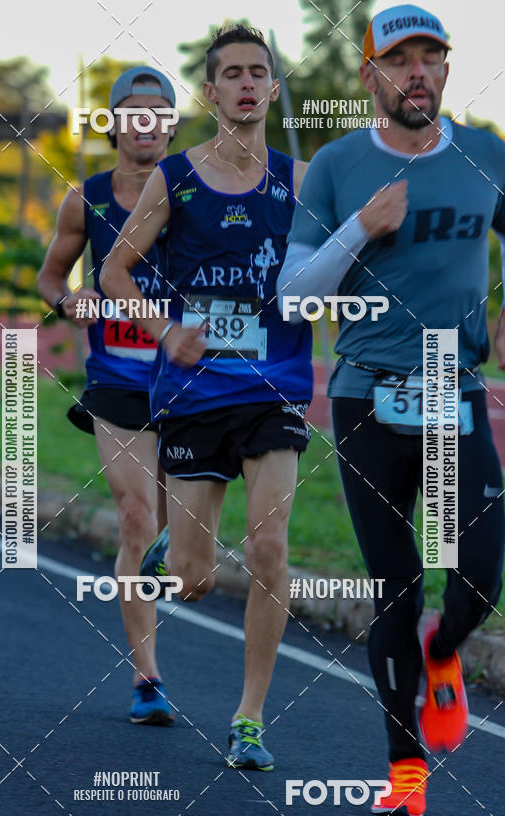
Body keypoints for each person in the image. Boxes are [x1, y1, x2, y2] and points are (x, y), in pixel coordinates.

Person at [278, 4, 505, 816]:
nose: (416, 71)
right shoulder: (336, 165)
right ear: (370, 76)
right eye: (399, 59)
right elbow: (292, 296)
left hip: (452, 391)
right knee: (397, 585)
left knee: (477, 577)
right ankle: (405, 767)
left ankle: (445, 649)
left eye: (430, 57)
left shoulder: (486, 155)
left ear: (447, 70)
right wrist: (360, 226)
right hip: (367, 398)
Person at [101, 24, 312, 770]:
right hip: (194, 392)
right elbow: (114, 273)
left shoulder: (301, 180)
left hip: (275, 389)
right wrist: (165, 331)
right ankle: (172, 549)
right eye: (233, 73)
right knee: (193, 580)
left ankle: (249, 717)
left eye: (259, 72)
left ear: (273, 88)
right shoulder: (176, 179)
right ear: (211, 91)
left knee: (269, 547)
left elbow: (338, 266)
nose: (247, 83)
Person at [37, 67, 177, 726]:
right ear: (115, 123)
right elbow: (50, 275)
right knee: (135, 518)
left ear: (171, 125)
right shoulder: (86, 200)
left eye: (158, 112)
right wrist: (68, 300)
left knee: (179, 542)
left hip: (189, 379)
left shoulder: (196, 190)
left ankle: (173, 560)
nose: (146, 123)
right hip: (117, 379)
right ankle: (147, 679)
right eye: (134, 112)